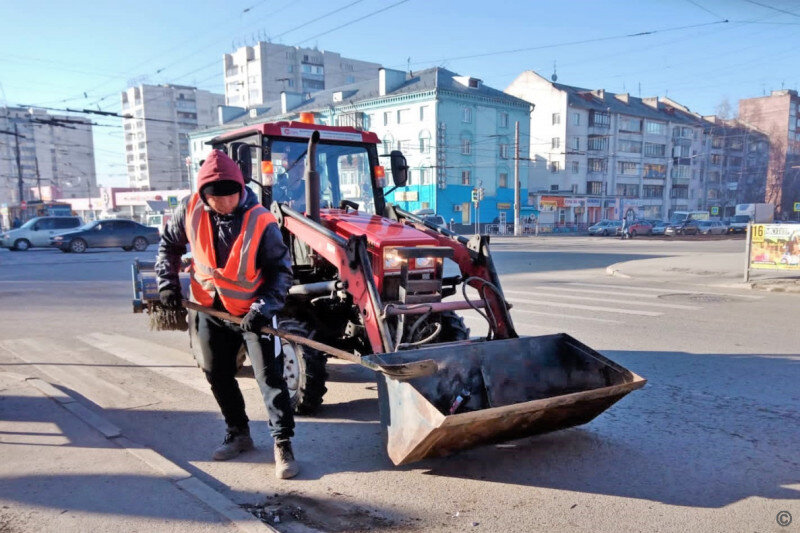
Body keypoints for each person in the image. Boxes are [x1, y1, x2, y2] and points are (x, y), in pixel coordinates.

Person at [155, 149, 299, 479]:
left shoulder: (261, 219)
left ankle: (283, 442)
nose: (225, 204)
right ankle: (238, 433)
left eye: (231, 196)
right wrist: (167, 283)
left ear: (240, 189)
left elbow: (281, 270)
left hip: (253, 309)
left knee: (271, 378)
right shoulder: (189, 209)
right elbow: (169, 247)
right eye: (216, 199)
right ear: (203, 195)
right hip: (207, 305)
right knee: (215, 372)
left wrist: (263, 307)